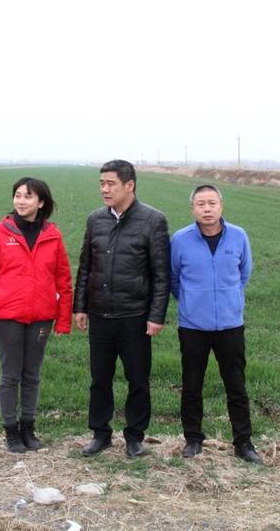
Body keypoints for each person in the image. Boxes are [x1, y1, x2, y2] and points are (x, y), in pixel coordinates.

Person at [73, 159, 171, 458]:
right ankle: (100, 434)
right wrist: (80, 307)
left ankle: (135, 437)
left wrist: (156, 316)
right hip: (100, 314)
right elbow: (86, 267)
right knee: (99, 379)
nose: (104, 189)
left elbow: (161, 274)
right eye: (102, 183)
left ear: (130, 185)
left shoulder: (153, 220)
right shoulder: (95, 220)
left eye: (111, 184)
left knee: (137, 380)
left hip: (134, 316)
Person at [0, 177, 73, 453]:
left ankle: (28, 428)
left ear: (41, 202)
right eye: (17, 195)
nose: (21, 201)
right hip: (8, 316)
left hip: (42, 316)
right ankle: (11, 430)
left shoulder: (52, 235)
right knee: (10, 374)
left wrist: (63, 320)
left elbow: (63, 280)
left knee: (32, 374)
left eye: (28, 196)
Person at [170, 184, 263, 464]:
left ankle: (243, 442)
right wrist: (191, 303)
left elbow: (243, 273)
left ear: (221, 206)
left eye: (212, 203)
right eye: (201, 204)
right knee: (192, 384)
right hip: (192, 326)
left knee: (236, 385)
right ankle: (193, 439)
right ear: (192, 209)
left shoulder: (238, 236)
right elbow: (174, 278)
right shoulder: (181, 239)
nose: (207, 209)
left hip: (230, 325)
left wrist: (230, 300)